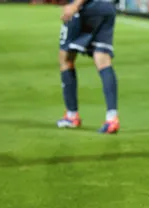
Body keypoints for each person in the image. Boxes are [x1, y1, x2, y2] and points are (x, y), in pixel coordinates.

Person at [57, 0, 119, 134]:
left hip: (87, 7)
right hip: (108, 6)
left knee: (65, 59)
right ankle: (112, 118)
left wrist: (75, 4)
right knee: (103, 59)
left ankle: (72, 115)